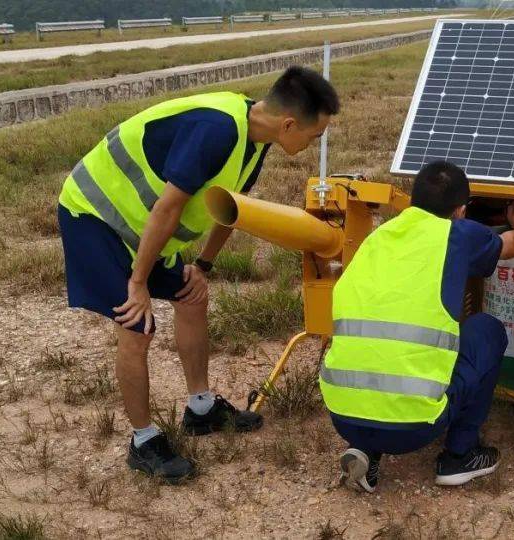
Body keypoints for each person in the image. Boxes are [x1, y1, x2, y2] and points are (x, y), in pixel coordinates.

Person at [57, 66, 340, 484]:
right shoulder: (217, 130)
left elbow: (232, 206)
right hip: (96, 216)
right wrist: (138, 284)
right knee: (137, 325)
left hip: (144, 226)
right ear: (289, 124)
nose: (316, 142)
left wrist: (203, 266)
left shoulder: (256, 138)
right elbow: (168, 209)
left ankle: (201, 408)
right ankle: (143, 440)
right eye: (315, 135)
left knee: (192, 295)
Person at [319, 160, 514, 492]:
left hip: (343, 416)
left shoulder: (377, 238)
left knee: (385, 341)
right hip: (414, 428)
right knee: (487, 330)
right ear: (462, 211)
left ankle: (367, 450)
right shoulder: (459, 235)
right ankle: (460, 456)